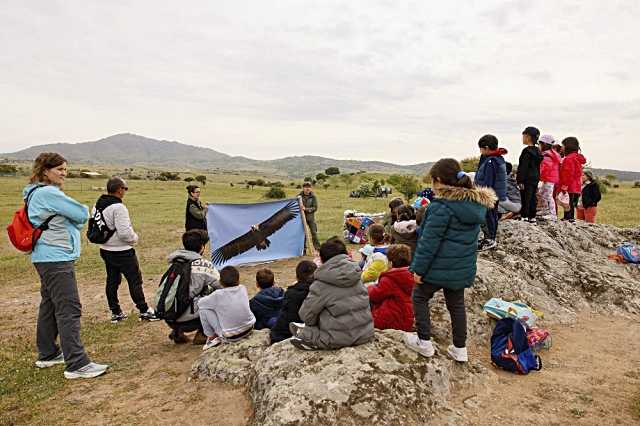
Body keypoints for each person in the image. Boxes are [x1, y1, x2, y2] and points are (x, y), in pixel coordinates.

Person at [25, 152, 109, 379]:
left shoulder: (35, 193)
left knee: (50, 305)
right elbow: (82, 213)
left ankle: (48, 353)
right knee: (69, 308)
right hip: (56, 257)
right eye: (59, 169)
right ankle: (77, 363)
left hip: (44, 256)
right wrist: (76, 214)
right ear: (45, 171)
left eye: (65, 169)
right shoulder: (49, 193)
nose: (64, 173)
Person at [405, 158, 496, 362]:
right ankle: (460, 349)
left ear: (438, 180)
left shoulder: (441, 207)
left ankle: (424, 342)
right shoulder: (474, 205)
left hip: (437, 268)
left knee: (420, 297)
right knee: (456, 305)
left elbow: (429, 242)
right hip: (461, 268)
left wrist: (418, 269)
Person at [289, 238, 374, 350]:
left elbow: (306, 316)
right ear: (345, 254)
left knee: (308, 330)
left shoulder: (321, 284)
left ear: (322, 260)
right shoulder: (357, 275)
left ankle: (306, 336)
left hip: (337, 339)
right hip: (365, 333)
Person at [94, 176, 158, 323]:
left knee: (112, 280)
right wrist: (135, 238)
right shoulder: (119, 207)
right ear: (119, 189)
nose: (125, 191)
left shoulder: (99, 204)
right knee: (135, 280)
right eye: (125, 188)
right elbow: (124, 233)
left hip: (105, 249)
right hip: (122, 251)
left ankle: (115, 312)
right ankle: (144, 311)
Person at [165, 229, 221, 344]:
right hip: (189, 321)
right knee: (216, 294)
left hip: (169, 317)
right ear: (202, 247)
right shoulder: (204, 265)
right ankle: (203, 333)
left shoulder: (174, 262)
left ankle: (177, 332)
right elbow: (223, 286)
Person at [197, 266, 256, 350]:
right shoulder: (243, 288)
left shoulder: (217, 295)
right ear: (238, 280)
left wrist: (208, 297)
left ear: (220, 282)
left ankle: (211, 337)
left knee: (204, 309)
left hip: (231, 337)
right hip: (249, 328)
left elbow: (200, 304)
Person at [368, 244, 415, 331]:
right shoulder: (411, 275)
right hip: (407, 319)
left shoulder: (391, 278)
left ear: (391, 262)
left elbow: (375, 295)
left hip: (392, 321)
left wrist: (369, 287)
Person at [269, 260, 318, 344]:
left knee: (272, 320)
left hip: (283, 334)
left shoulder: (291, 293)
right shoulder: (317, 291)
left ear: (297, 276)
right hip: (294, 332)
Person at [474, 134, 507, 250]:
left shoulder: (491, 162)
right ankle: (490, 237)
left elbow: (488, 181)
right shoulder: (497, 158)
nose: (480, 151)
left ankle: (490, 239)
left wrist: (482, 194)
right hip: (495, 194)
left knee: (488, 216)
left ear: (487, 148)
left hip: (489, 194)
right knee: (492, 215)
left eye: (481, 149)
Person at [517, 126, 543, 224]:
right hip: (535, 177)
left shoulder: (526, 151)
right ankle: (532, 216)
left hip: (526, 178)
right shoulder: (538, 151)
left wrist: (520, 180)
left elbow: (523, 167)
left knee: (525, 197)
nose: (522, 138)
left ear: (527, 137)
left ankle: (524, 216)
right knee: (532, 197)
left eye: (523, 136)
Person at [559, 136, 587, 222]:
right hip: (577, 186)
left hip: (570, 186)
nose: (561, 148)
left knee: (568, 202)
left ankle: (568, 218)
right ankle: (570, 217)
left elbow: (568, 173)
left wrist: (564, 185)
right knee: (572, 203)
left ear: (568, 146)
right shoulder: (577, 158)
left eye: (563, 145)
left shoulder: (568, 159)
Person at [537, 135, 561, 221]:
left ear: (544, 144)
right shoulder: (552, 155)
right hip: (550, 179)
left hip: (547, 179)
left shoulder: (547, 156)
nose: (538, 146)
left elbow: (544, 169)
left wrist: (539, 177)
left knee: (548, 197)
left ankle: (552, 214)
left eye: (539, 144)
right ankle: (544, 211)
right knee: (543, 195)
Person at [299, 182, 320, 250]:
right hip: (301, 219)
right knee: (303, 234)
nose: (307, 188)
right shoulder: (299, 197)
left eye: (309, 187)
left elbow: (315, 208)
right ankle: (303, 250)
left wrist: (306, 209)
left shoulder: (313, 197)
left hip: (311, 218)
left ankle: (317, 248)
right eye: (306, 187)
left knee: (314, 233)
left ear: (311, 188)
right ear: (303, 188)